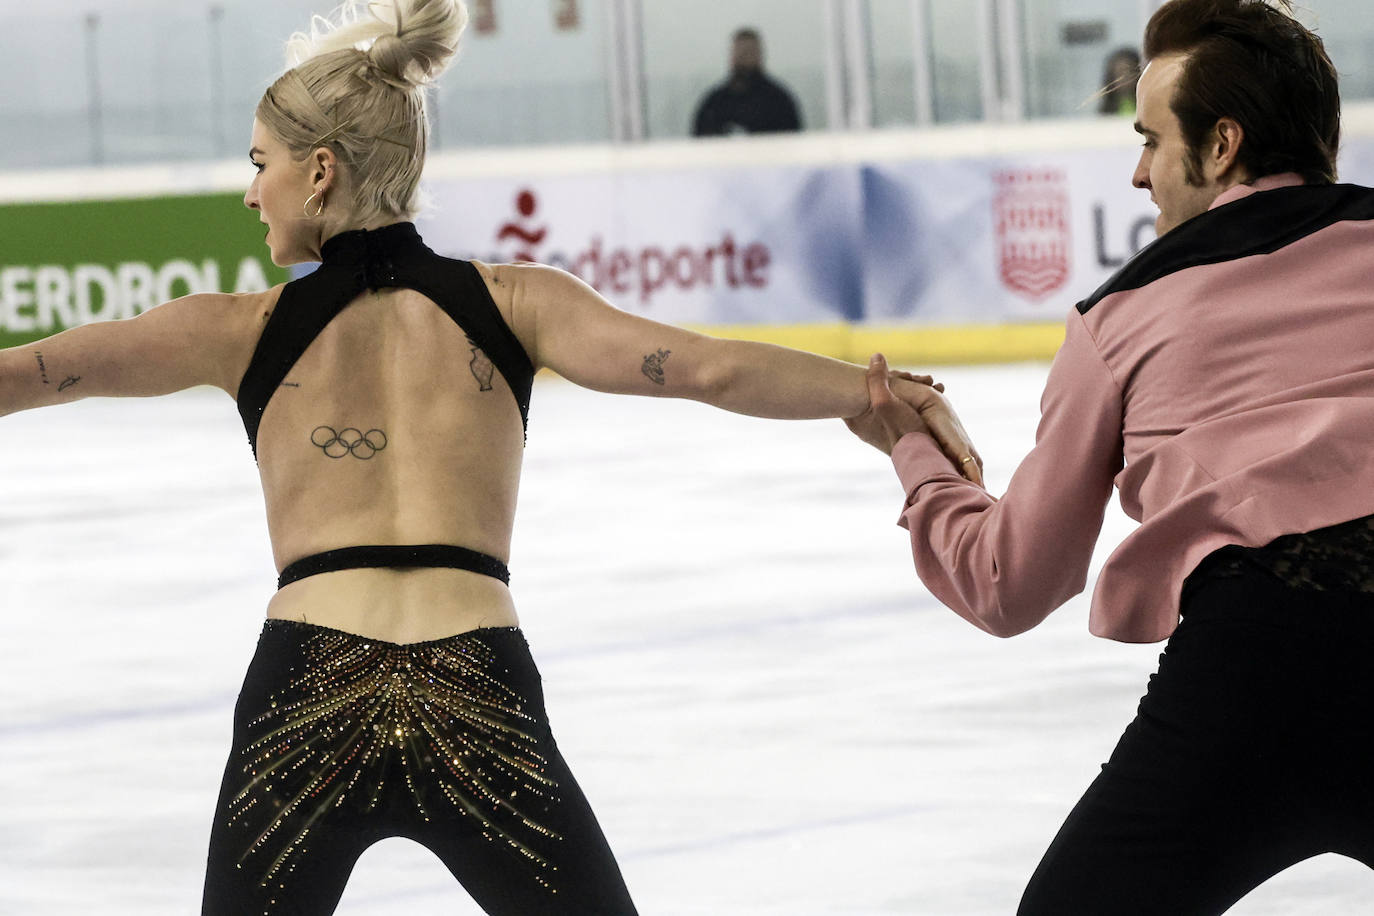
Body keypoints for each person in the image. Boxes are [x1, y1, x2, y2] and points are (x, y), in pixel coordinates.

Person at [0, 1, 976, 914]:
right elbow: (707, 370)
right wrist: (872, 396)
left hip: (308, 696)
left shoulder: (242, 328)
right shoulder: (517, 302)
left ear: (322, 171)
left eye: (261, 162)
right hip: (475, 692)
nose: (250, 189)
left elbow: (37, 374)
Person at [847, 1, 1373, 913]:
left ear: (1220, 147)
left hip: (1252, 672)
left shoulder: (1118, 317)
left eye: (1149, 140)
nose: (1136, 174)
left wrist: (913, 453)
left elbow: (1012, 581)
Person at [691, 27, 802, 137]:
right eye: (740, 53)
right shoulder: (714, 103)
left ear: (760, 55)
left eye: (749, 52)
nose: (743, 58)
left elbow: (793, 143)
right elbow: (700, 143)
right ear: (731, 56)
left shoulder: (779, 102)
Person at [1098, 46, 1141, 116]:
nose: (1124, 78)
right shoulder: (1106, 111)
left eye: (1129, 71)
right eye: (1119, 73)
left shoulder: (1147, 106)